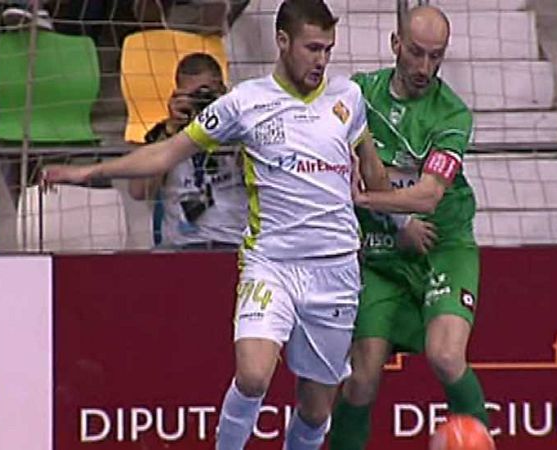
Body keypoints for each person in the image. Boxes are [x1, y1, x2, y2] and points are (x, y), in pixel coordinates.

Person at [41, 1, 389, 448]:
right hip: (273, 264)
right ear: (283, 42)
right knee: (252, 374)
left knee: (316, 407)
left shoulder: (348, 98)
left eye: (328, 50)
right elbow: (166, 153)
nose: (321, 61)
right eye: (312, 48)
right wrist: (87, 173)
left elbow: (373, 169)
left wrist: (385, 198)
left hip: (335, 269)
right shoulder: (245, 102)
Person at [329, 5, 489, 450]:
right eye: (416, 53)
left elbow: (429, 195)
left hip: (443, 245)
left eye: (435, 57)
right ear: (395, 45)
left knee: (445, 354)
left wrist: (368, 200)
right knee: (361, 378)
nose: (424, 67)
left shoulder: (451, 115)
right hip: (382, 257)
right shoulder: (359, 94)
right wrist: (392, 220)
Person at [128, 52, 246, 250]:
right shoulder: (163, 135)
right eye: (193, 96)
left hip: (234, 244)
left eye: (207, 95)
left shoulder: (242, 130)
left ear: (223, 92)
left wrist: (227, 124)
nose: (201, 102)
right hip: (180, 246)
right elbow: (139, 191)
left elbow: (264, 180)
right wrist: (171, 131)